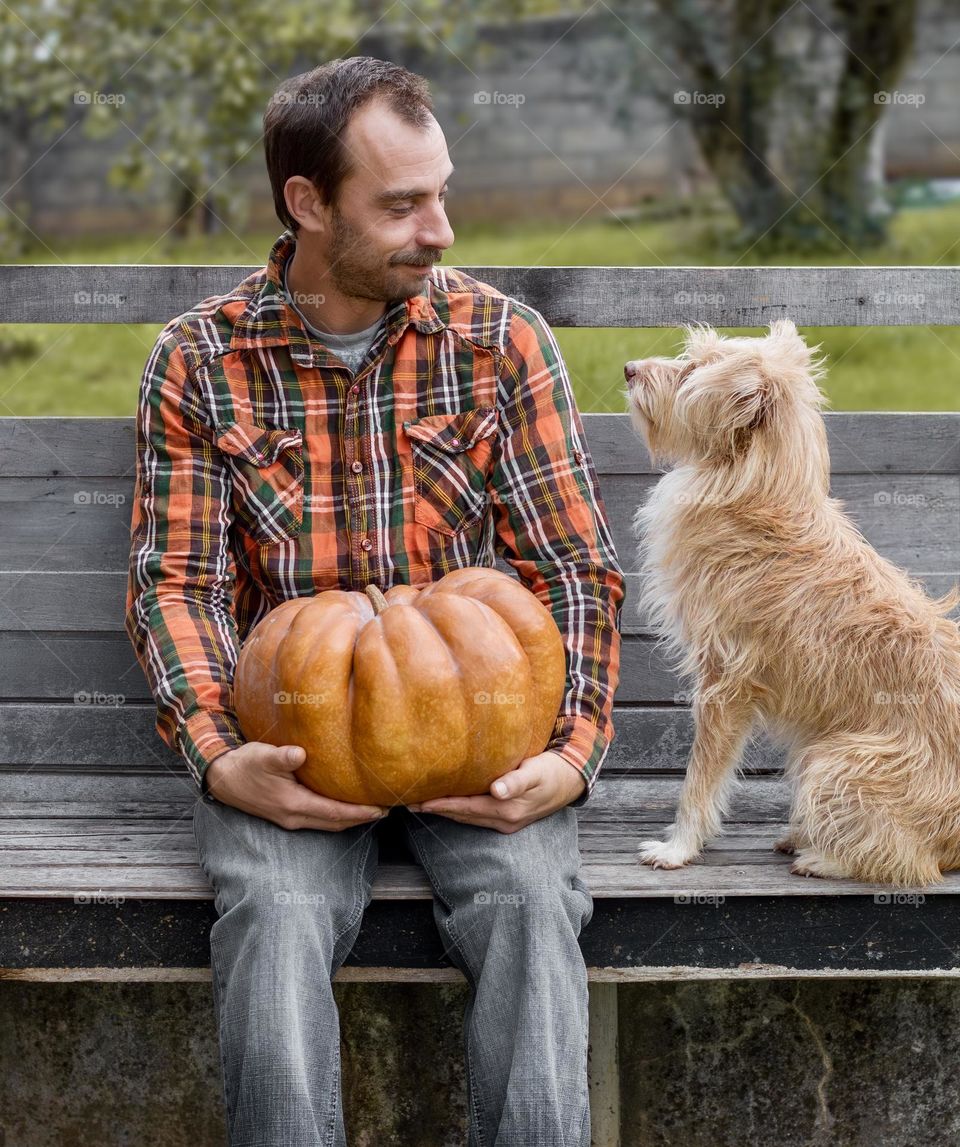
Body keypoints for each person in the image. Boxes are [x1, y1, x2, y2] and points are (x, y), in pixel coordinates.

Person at [125, 54, 624, 1147]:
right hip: (295, 739)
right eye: (401, 203)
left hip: (482, 735)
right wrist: (220, 755)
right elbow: (180, 585)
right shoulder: (201, 361)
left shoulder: (500, 341)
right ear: (308, 204)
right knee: (275, 909)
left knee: (533, 905)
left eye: (440, 191)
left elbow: (573, 571)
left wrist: (571, 754)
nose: (438, 227)